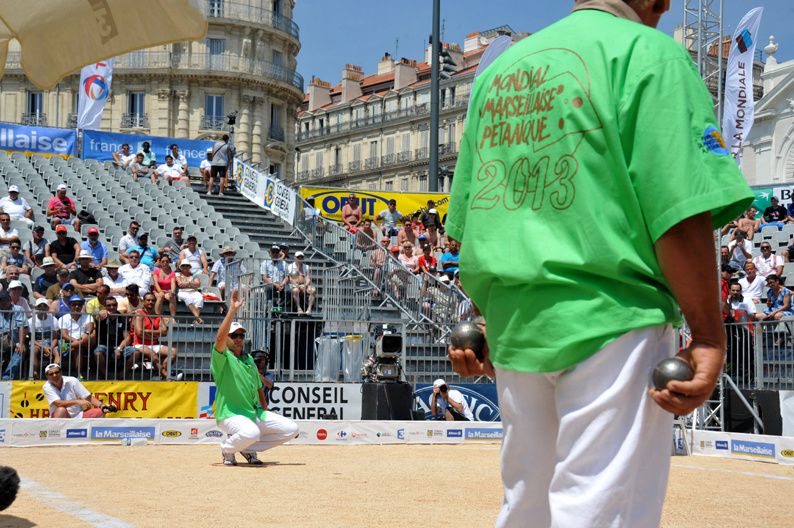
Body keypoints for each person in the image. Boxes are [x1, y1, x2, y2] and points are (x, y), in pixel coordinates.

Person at [445, 1, 754, 527]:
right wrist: (707, 335)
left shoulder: (501, 72)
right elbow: (678, 210)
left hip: (517, 327)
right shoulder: (650, 54)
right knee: (600, 511)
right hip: (614, 318)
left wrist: (483, 319)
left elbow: (476, 217)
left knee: (527, 507)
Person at [211, 291, 299, 466]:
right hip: (229, 415)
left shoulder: (249, 359)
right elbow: (219, 338)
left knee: (291, 429)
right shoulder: (222, 357)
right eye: (233, 335)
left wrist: (265, 410)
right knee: (251, 433)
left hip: (252, 413)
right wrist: (232, 311)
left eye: (241, 336)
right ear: (227, 338)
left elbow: (258, 387)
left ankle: (247, 448)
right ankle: (228, 448)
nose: (238, 339)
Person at [132, 292, 177, 379]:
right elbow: (139, 332)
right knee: (151, 353)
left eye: (153, 300)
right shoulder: (139, 314)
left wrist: (148, 331)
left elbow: (164, 332)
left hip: (153, 344)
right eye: (148, 300)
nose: (150, 302)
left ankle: (163, 372)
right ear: (143, 302)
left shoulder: (158, 315)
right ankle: (166, 375)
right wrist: (156, 333)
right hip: (139, 344)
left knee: (173, 351)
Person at [41, 363, 112, 418]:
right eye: (51, 374)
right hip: (61, 416)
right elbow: (59, 404)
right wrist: (77, 401)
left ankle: (92, 436)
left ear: (61, 372)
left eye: (57, 372)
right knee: (61, 410)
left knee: (100, 411)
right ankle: (57, 435)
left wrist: (102, 406)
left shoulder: (72, 380)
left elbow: (88, 397)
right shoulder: (47, 386)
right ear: (47, 376)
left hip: (78, 416)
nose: (54, 375)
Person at [93, 295, 131, 378]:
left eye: (114, 305)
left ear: (117, 305)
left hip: (119, 346)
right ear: (105, 306)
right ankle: (106, 375)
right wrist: (99, 315)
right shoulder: (102, 316)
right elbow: (97, 317)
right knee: (98, 353)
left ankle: (122, 374)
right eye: (109, 305)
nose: (112, 307)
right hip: (104, 346)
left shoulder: (123, 318)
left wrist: (119, 348)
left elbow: (127, 338)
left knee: (136, 352)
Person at [57, 295, 94, 378]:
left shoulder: (88, 316)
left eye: (79, 304)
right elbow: (64, 335)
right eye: (74, 304)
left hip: (84, 341)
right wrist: (77, 342)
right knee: (78, 348)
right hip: (71, 342)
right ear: (69, 306)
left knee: (84, 342)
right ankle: (79, 375)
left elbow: (89, 329)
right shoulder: (63, 318)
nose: (77, 306)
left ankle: (68, 348)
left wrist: (81, 339)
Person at [26, 298, 60, 379]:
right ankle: (35, 372)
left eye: (44, 306)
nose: (42, 308)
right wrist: (43, 347)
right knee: (34, 350)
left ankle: (55, 373)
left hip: (50, 342)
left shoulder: (53, 319)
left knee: (57, 351)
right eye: (39, 306)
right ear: (36, 308)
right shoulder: (31, 321)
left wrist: (50, 347)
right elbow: (32, 339)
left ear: (47, 308)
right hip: (37, 343)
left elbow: (55, 337)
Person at [0, 291, 26, 380]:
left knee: (20, 352)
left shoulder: (18, 309)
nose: (3, 302)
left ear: (10, 300)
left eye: (6, 300)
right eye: (1, 300)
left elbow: (22, 327)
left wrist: (21, 343)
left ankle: (6, 378)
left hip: (15, 342)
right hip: (1, 342)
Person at [260, 245, 288, 312]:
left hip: (281, 284)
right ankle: (269, 307)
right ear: (270, 253)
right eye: (273, 252)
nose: (275, 254)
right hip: (270, 284)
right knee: (270, 288)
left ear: (279, 253)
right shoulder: (265, 263)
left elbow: (287, 277)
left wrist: (282, 284)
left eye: (277, 252)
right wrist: (275, 285)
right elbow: (264, 277)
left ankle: (281, 309)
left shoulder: (284, 263)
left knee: (288, 290)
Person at [176, 259, 204, 324]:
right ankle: (198, 318)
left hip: (193, 291)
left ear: (189, 267)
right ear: (181, 267)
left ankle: (196, 320)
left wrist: (187, 284)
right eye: (183, 265)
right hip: (182, 292)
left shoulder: (193, 275)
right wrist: (191, 284)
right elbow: (180, 285)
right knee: (187, 297)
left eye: (187, 265)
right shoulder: (178, 274)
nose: (185, 267)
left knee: (200, 298)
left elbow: (198, 284)